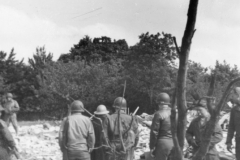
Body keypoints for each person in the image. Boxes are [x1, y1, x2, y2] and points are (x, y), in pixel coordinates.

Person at [149, 92, 173, 160]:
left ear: (159, 103)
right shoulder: (175, 113)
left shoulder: (158, 114)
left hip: (162, 143)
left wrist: (152, 147)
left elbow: (154, 132)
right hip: (174, 143)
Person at [226, 87, 240, 160]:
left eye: (233, 95)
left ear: (238, 95)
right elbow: (231, 127)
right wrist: (229, 141)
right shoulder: (234, 110)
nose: (231, 97)